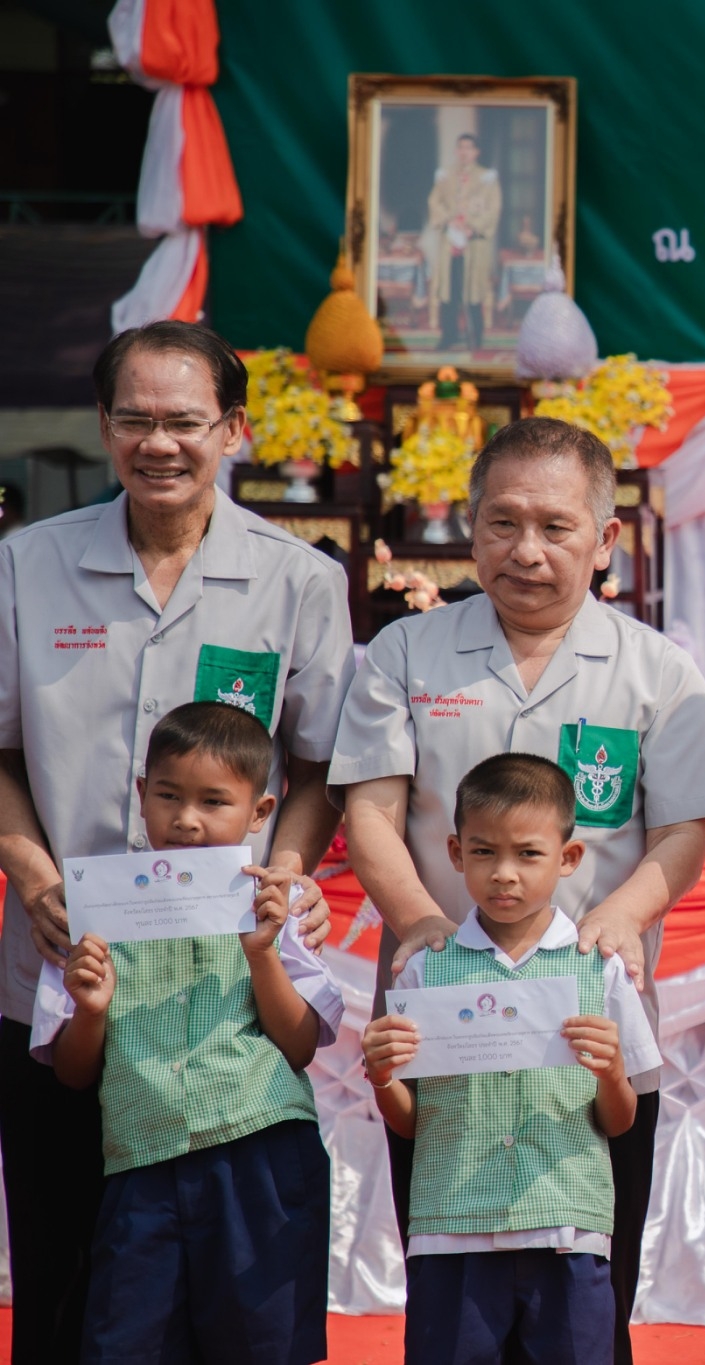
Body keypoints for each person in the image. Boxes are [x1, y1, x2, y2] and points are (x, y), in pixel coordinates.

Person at [331, 415, 705, 1363]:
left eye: (557, 527)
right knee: (451, 1281)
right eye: (503, 522)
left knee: (592, 1291)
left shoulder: (656, 669)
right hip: (447, 1016)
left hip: (591, 1020)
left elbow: (685, 828)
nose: (527, 550)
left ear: (605, 539)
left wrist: (621, 914)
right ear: (470, 528)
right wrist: (429, 930)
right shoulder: (405, 654)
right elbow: (369, 815)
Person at [0, 320, 348, 1364]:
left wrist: (284, 869)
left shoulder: (299, 581)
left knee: (236, 1304)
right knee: (65, 1285)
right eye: (137, 419)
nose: (160, 443)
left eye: (184, 421)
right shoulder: (27, 567)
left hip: (228, 1020)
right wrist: (32, 873)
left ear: (232, 430)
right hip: (66, 987)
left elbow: (324, 763)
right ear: (105, 427)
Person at [34, 702, 342, 1364]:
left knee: (260, 1344)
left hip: (259, 1154)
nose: (187, 819)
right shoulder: (96, 906)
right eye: (169, 795)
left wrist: (261, 952)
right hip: (141, 1163)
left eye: (214, 800)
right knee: (130, 1342)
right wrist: (90, 1007)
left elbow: (299, 1045)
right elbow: (71, 1071)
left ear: (260, 813)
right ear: (141, 794)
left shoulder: (276, 905)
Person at [362, 754, 662, 1363]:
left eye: (528, 854)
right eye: (483, 852)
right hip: (451, 1229)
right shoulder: (427, 968)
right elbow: (411, 1123)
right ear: (453, 851)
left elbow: (622, 1120)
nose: (504, 874)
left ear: (568, 859)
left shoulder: (595, 966)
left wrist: (608, 1072)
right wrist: (382, 1076)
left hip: (567, 1227)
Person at [424, 131, 501, 351]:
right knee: (449, 290)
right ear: (456, 151)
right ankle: (448, 335)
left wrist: (472, 226)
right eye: (461, 148)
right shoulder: (445, 176)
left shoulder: (487, 178)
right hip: (450, 242)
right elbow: (434, 202)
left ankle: (475, 337)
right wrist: (450, 220)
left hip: (474, 244)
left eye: (469, 148)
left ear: (476, 152)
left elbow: (493, 209)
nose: (464, 152)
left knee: (474, 290)